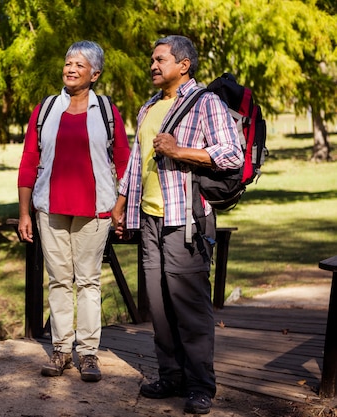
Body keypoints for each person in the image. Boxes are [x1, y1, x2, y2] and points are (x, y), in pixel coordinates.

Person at [112, 35, 243, 414]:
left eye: (160, 59)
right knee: (158, 302)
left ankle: (201, 384)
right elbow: (138, 162)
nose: (153, 65)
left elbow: (231, 154)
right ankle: (171, 375)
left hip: (185, 219)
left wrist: (179, 150)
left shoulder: (206, 103)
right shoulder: (148, 107)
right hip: (151, 219)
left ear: (184, 65)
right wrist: (122, 204)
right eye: (151, 59)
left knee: (189, 305)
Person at [17, 40, 130, 382]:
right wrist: (24, 212)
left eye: (79, 65)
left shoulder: (107, 111)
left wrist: (122, 208)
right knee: (59, 281)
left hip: (95, 210)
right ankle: (61, 350)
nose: (70, 69)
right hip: (49, 209)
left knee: (88, 281)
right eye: (68, 63)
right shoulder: (47, 109)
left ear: (95, 73)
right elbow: (28, 162)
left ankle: (89, 354)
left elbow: (124, 160)